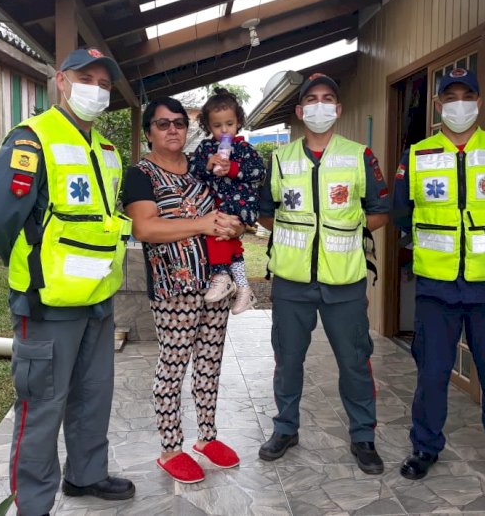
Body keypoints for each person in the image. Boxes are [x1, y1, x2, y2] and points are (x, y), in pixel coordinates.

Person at [0, 47, 134, 516]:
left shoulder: (107, 151)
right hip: (47, 302)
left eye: (105, 84)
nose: (97, 89)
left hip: (98, 299)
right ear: (62, 81)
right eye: (87, 78)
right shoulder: (32, 140)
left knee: (93, 395)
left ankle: (86, 475)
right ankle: (32, 504)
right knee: (42, 406)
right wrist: (34, 270)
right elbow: (0, 220)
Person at [392, 68, 485, 497]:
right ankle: (425, 449)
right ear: (438, 104)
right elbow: (403, 211)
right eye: (450, 96)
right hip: (436, 288)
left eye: (467, 94)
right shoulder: (417, 155)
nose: (459, 102)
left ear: (479, 101)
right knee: (432, 374)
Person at [256, 73, 390, 475]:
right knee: (288, 359)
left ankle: (363, 436)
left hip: (344, 281)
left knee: (354, 360)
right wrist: (299, 235)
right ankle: (286, 428)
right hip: (291, 281)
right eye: (311, 99)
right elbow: (266, 211)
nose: (319, 105)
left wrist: (344, 231)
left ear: (338, 108)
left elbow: (380, 211)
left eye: (327, 98)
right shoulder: (280, 157)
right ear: (299, 111)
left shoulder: (360, 155)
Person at [123, 96, 245, 485]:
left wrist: (235, 227)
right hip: (174, 288)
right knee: (173, 367)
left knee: (210, 362)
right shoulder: (140, 174)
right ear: (149, 133)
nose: (173, 129)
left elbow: (229, 205)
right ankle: (171, 447)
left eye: (179, 122)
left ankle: (206, 438)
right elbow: (145, 228)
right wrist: (204, 225)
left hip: (215, 284)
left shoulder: (201, 167)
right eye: (163, 124)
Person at [188, 87, 265, 314]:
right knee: (230, 241)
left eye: (229, 124)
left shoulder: (245, 149)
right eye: (217, 126)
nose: (224, 130)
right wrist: (207, 165)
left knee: (218, 234)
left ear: (238, 122)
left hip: (239, 203)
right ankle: (242, 286)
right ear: (208, 126)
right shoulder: (206, 148)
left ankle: (222, 276)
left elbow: (259, 173)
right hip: (216, 202)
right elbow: (193, 171)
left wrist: (232, 168)